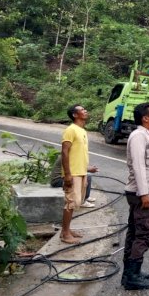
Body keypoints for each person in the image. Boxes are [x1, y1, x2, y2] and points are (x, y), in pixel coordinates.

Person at [122, 102, 149, 290]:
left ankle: (130, 273)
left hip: (142, 192)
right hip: (141, 193)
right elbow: (138, 166)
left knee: (135, 231)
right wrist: (144, 193)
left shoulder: (146, 136)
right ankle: (132, 276)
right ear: (145, 118)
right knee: (144, 232)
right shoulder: (139, 136)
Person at [60, 105, 97, 244]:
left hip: (81, 172)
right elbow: (64, 152)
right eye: (82, 110)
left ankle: (68, 230)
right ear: (75, 115)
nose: (86, 111)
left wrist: (87, 168)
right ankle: (64, 234)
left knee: (76, 203)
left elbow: (78, 154)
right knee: (70, 203)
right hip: (73, 173)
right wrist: (67, 174)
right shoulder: (70, 130)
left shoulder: (82, 130)